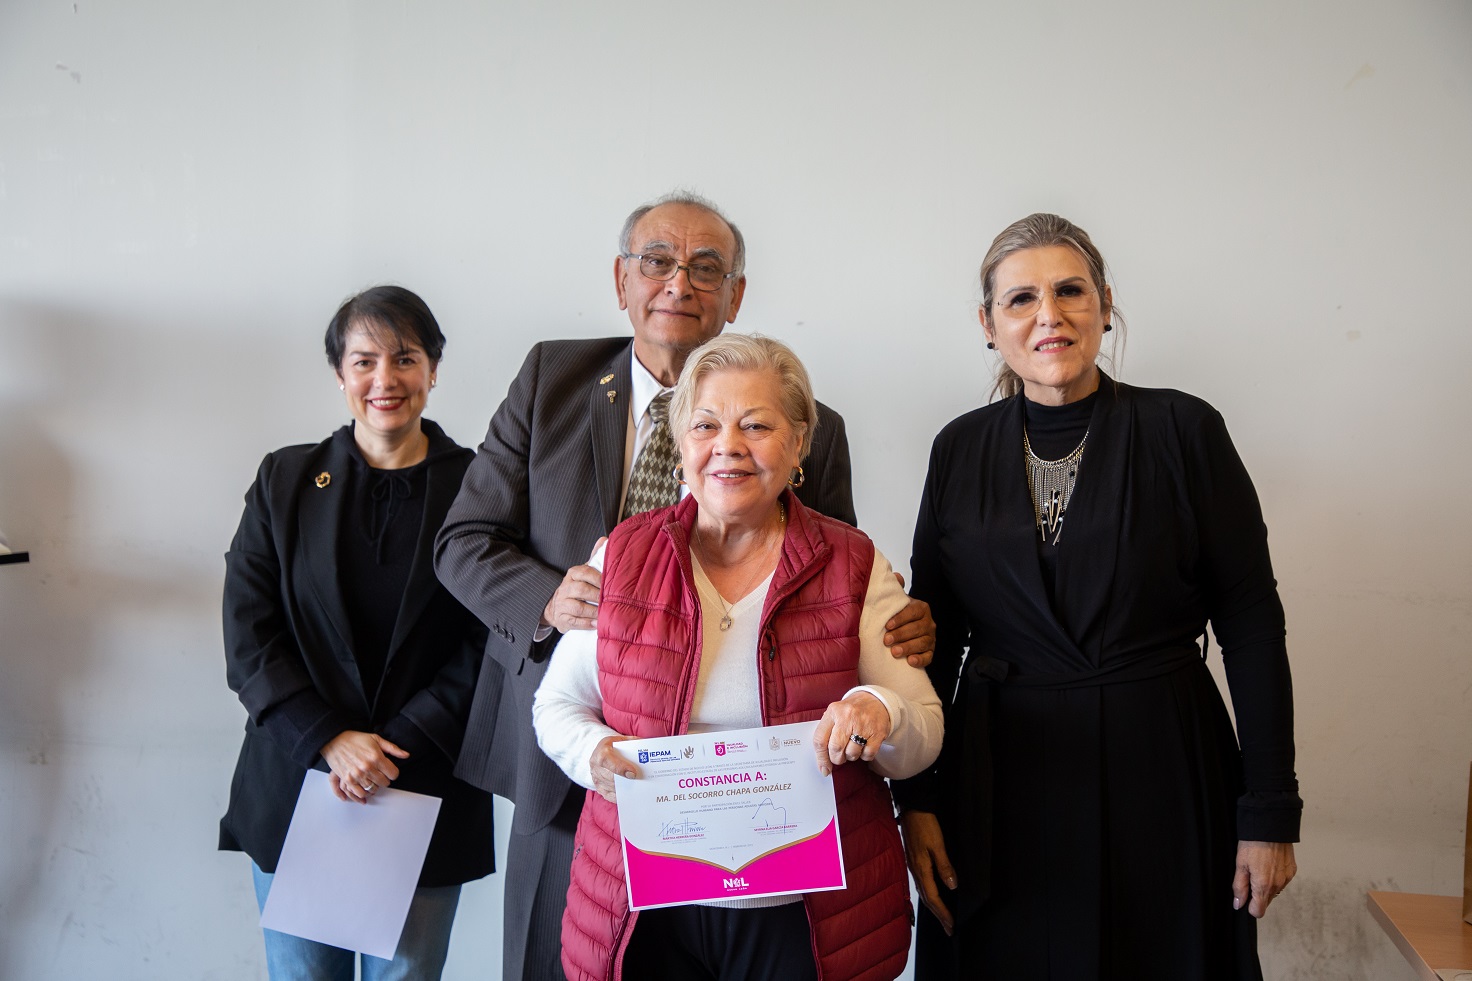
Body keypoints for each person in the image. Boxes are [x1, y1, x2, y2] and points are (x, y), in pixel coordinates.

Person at [433, 191, 935, 981]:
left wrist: (892, 636)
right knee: (570, 954)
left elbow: (828, 591)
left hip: (768, 811)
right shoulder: (549, 379)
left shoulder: (815, 424)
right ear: (621, 279)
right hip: (584, 750)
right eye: (657, 261)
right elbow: (462, 541)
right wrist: (550, 601)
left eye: (706, 268)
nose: (679, 283)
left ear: (736, 294)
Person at [894, 213, 1301, 980]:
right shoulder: (957, 448)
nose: (1048, 314)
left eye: (1070, 291)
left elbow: (1251, 624)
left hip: (1162, 768)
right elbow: (930, 638)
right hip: (995, 781)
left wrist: (1270, 811)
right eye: (1021, 298)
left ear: (1105, 305)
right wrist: (917, 800)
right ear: (988, 324)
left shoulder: (1184, 429)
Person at [532, 333, 944, 981]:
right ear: (680, 445)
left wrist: (880, 710)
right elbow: (556, 705)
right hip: (648, 911)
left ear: (799, 444)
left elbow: (923, 732)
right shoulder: (622, 556)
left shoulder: (853, 563)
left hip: (805, 919)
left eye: (756, 425)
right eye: (705, 425)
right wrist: (592, 754)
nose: (728, 445)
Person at [220, 286, 495, 980]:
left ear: (433, 368)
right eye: (364, 360)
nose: (385, 379)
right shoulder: (284, 479)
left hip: (422, 779)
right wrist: (329, 738)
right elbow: (249, 631)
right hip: (300, 778)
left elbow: (493, 635)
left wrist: (396, 742)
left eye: (405, 358)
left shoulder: (481, 486)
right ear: (340, 374)